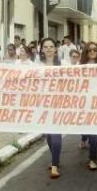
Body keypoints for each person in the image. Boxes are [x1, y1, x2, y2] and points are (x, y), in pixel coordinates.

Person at [39, 38, 63, 179]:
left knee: (55, 135)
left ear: (55, 49)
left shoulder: (63, 65)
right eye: (46, 46)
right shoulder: (36, 66)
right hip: (43, 104)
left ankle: (54, 166)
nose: (48, 49)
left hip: (60, 104)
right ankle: (56, 158)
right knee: (49, 135)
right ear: (42, 49)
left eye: (51, 46)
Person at [77, 43, 97, 170]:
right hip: (84, 103)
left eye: (95, 50)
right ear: (86, 52)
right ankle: (83, 138)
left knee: (95, 133)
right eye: (89, 50)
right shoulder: (80, 67)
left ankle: (92, 159)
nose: (92, 52)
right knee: (85, 127)